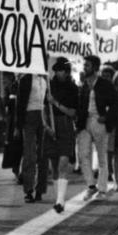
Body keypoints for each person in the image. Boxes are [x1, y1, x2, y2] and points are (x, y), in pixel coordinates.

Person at [76, 55, 118, 201]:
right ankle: (91, 186)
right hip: (84, 123)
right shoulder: (83, 86)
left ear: (94, 67)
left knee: (102, 157)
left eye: (87, 65)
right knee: (83, 155)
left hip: (99, 122)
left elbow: (116, 104)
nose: (84, 68)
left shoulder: (105, 84)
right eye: (84, 65)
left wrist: (106, 117)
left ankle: (102, 189)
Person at [46, 58, 78, 213]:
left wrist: (55, 103)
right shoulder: (49, 86)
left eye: (62, 70)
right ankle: (57, 198)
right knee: (54, 165)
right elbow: (43, 109)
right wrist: (46, 126)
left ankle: (60, 201)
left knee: (63, 162)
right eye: (57, 70)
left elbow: (73, 112)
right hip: (51, 126)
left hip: (65, 124)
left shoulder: (72, 88)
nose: (59, 73)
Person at [15, 71, 49, 203]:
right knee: (29, 154)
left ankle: (40, 189)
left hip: (42, 116)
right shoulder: (26, 79)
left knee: (43, 154)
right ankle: (28, 189)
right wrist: (18, 126)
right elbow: (20, 103)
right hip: (29, 115)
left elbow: (47, 100)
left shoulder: (45, 80)